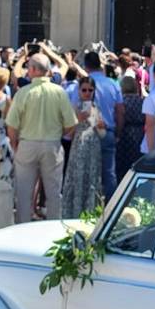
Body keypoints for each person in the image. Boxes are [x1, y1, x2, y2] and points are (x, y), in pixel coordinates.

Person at [6, 53, 78, 223]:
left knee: (23, 194)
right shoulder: (59, 92)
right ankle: (53, 233)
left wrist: (15, 144)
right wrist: (58, 135)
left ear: (32, 70)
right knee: (54, 193)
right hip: (52, 144)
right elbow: (71, 124)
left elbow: (11, 125)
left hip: (27, 143)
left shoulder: (22, 93)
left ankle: (22, 228)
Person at [69, 51, 124, 199]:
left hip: (87, 133)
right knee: (108, 173)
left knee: (87, 172)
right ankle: (111, 206)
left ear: (86, 67)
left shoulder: (80, 86)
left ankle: (88, 204)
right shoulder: (113, 84)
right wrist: (118, 132)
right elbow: (120, 111)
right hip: (107, 131)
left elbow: (74, 109)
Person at [63, 77, 106, 218]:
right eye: (84, 90)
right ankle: (74, 213)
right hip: (79, 146)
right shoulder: (74, 107)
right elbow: (66, 132)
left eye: (90, 90)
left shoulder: (95, 108)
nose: (87, 93)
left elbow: (102, 134)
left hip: (93, 148)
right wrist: (78, 120)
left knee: (92, 178)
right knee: (77, 178)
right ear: (79, 91)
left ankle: (91, 212)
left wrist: (101, 126)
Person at [116, 75, 145, 182]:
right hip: (140, 133)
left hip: (125, 134)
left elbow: (119, 118)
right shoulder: (142, 101)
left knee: (123, 165)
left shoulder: (121, 102)